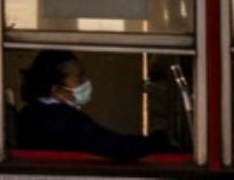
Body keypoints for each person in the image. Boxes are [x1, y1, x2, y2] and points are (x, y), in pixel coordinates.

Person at [17, 50, 175, 161]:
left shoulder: (30, 112)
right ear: (56, 89)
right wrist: (157, 142)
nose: (86, 82)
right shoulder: (65, 121)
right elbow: (116, 147)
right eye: (79, 79)